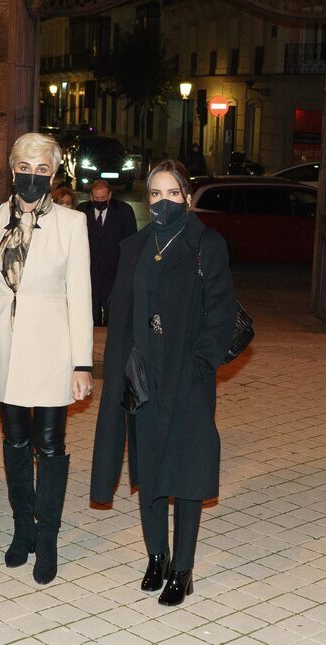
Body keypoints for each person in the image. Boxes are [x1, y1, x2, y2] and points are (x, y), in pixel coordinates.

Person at [90, 159, 236, 606]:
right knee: (149, 468)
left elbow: (223, 313)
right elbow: (118, 311)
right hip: (141, 373)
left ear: (187, 199)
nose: (163, 201)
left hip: (187, 375)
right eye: (155, 193)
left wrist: (199, 364)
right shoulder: (134, 245)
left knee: (186, 469)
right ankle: (157, 555)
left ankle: (183, 568)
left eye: (172, 193)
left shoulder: (205, 245)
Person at [0, 132, 93, 585]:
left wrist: (83, 363)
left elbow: (81, 296)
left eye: (42, 170)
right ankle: (23, 529)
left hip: (52, 351)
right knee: (15, 441)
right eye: (25, 167)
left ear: (53, 174)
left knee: (50, 444)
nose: (32, 176)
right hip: (2, 347)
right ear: (12, 167)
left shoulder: (70, 223)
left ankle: (49, 538)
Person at [76, 180, 138, 326]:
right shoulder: (81, 211)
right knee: (89, 318)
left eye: (103, 198)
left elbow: (131, 244)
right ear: (91, 197)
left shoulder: (124, 211)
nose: (99, 201)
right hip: (89, 275)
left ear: (109, 195)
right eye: (96, 198)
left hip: (114, 275)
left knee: (114, 318)